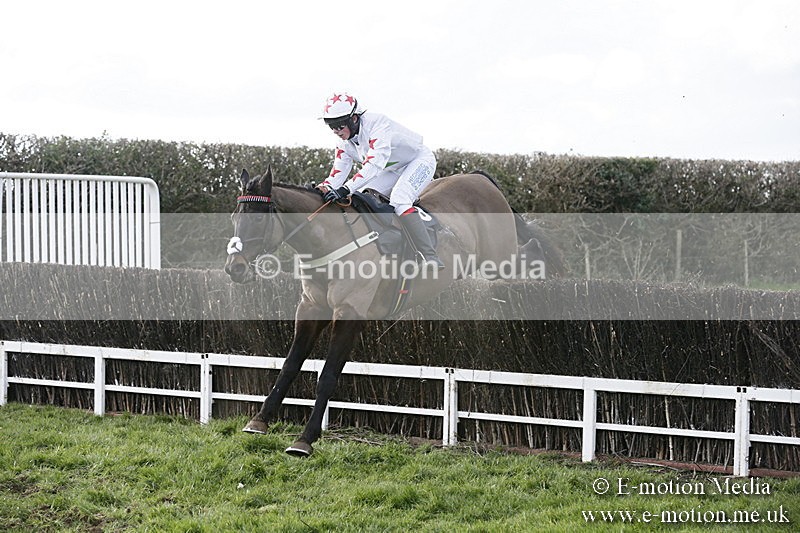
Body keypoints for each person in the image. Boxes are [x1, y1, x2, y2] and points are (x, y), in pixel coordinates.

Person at [317, 92, 444, 270]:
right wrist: (322, 190)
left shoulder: (377, 124)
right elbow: (337, 173)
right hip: (391, 169)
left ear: (354, 119)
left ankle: (428, 255)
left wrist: (346, 188)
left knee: (400, 200)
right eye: (331, 126)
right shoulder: (343, 143)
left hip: (418, 161)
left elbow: (374, 165)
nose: (336, 131)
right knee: (362, 196)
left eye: (339, 125)